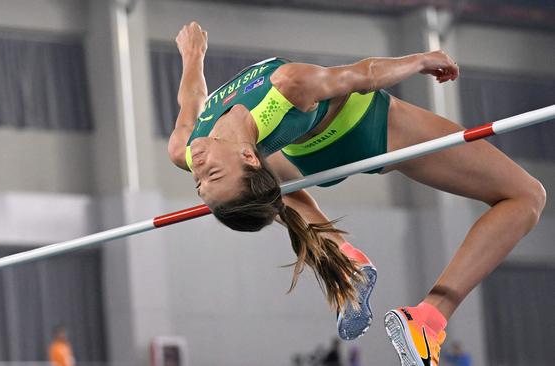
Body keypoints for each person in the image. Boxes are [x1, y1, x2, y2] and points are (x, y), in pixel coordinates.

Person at [167, 22, 546, 366]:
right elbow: (364, 75)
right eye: (210, 174)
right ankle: (428, 321)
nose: (198, 169)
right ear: (247, 157)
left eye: (202, 182)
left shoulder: (185, 150)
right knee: (526, 196)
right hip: (374, 129)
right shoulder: (286, 85)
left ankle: (348, 262)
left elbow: (190, 104)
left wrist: (192, 57)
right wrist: (422, 59)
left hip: (309, 156)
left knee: (270, 189)